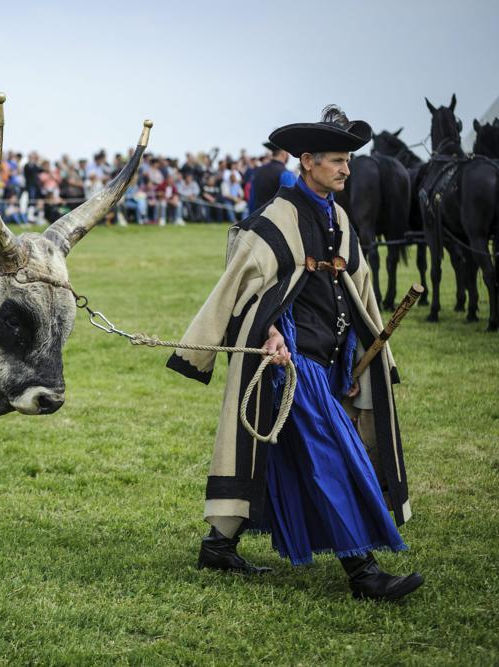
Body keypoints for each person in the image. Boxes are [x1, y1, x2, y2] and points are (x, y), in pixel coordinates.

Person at [166, 105, 423, 602]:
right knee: (331, 454)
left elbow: (355, 291)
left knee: (280, 456)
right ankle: (363, 571)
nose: (346, 168)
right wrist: (269, 333)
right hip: (288, 363)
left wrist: (354, 360)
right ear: (307, 161)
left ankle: (218, 546)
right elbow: (242, 291)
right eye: (336, 161)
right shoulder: (275, 220)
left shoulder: (340, 217)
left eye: (348, 160)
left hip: (329, 364)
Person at [248, 142, 296, 214]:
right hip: (277, 221)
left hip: (258, 219)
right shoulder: (286, 174)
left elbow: (252, 200)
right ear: (284, 153)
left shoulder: (257, 172)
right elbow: (293, 201)